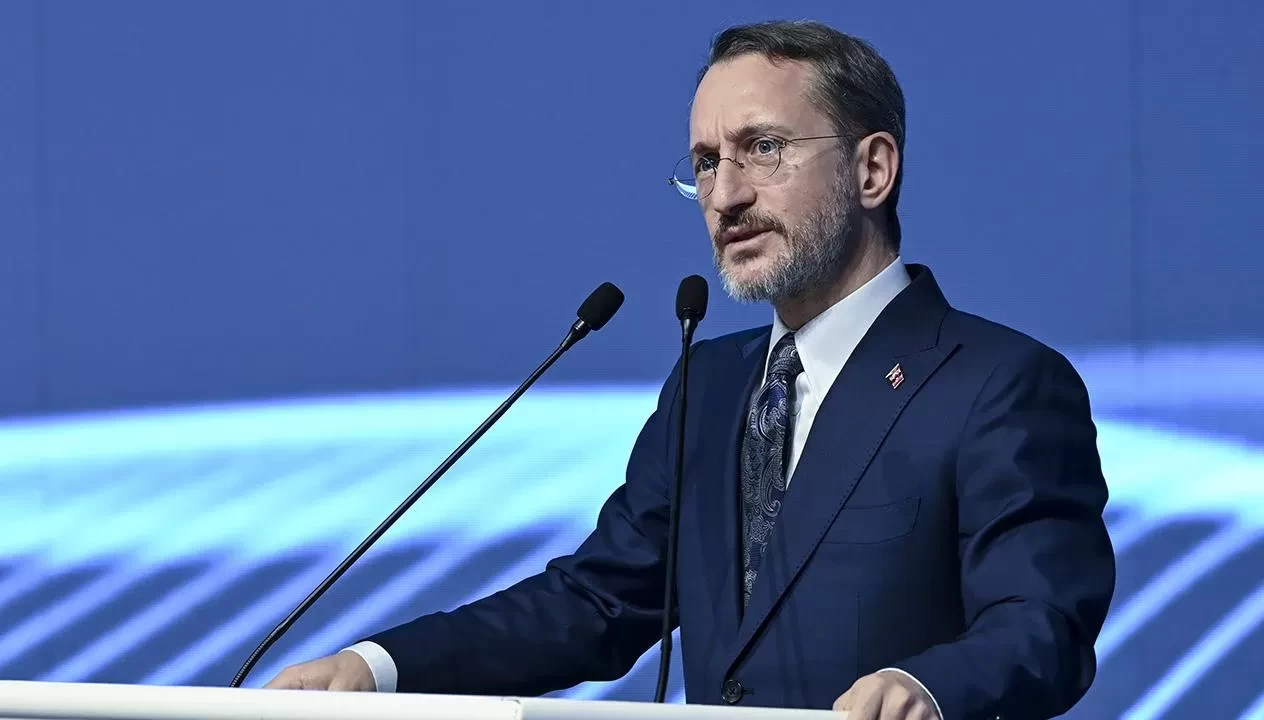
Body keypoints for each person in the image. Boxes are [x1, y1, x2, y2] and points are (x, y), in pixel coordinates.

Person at [265, 19, 1116, 720]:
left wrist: (927, 686)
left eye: (764, 148)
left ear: (872, 169)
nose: (726, 195)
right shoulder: (707, 387)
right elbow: (596, 602)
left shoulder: (996, 384)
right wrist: (378, 670)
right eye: (707, 162)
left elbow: (1041, 620)